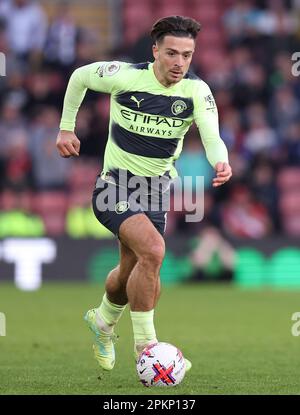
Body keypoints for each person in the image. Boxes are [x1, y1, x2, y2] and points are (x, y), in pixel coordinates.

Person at [56, 16, 232, 373]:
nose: (179, 63)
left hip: (154, 192)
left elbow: (211, 136)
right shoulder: (124, 75)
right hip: (114, 187)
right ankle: (146, 348)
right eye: (171, 53)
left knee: (133, 274)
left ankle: (104, 323)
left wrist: (221, 162)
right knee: (154, 250)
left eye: (187, 55)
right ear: (155, 50)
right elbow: (78, 78)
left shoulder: (197, 91)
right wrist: (65, 128)